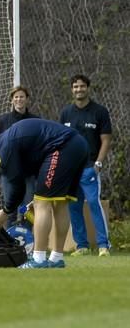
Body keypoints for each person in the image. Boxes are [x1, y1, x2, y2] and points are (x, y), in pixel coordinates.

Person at [0, 118, 89, 268]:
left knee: (42, 203)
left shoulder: (5, 149)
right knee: (60, 203)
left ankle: (38, 259)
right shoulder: (7, 141)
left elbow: (17, 187)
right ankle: (56, 258)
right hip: (78, 145)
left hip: (63, 147)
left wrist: (6, 211)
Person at [60, 74, 112, 256]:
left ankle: (104, 245)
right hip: (71, 169)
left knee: (93, 203)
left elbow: (106, 140)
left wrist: (99, 162)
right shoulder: (66, 112)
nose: (79, 90)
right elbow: (62, 141)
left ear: (87, 88)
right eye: (75, 87)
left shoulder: (99, 111)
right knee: (74, 207)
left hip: (90, 167)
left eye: (82, 86)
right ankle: (81, 246)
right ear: (71, 89)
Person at [0, 85, 39, 228]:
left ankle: (28, 242)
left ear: (27, 100)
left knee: (28, 208)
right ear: (12, 100)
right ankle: (9, 242)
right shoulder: (3, 120)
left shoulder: (35, 120)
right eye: (16, 97)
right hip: (9, 173)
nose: (19, 99)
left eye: (22, 97)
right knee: (10, 208)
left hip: (28, 173)